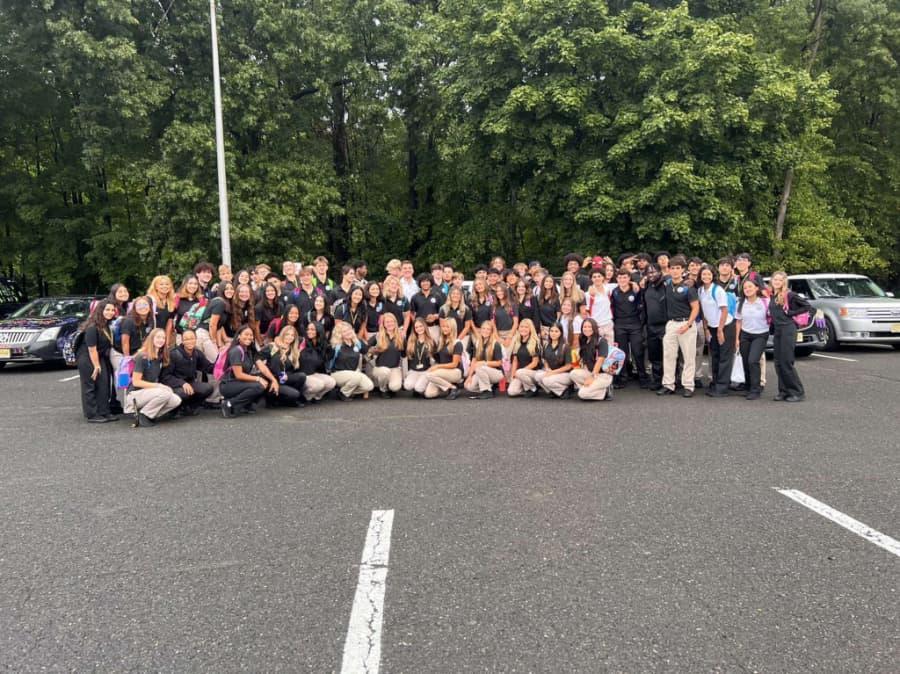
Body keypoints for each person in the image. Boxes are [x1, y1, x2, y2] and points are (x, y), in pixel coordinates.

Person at [658, 256, 699, 397]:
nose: (675, 271)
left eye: (678, 268)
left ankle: (688, 385)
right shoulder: (667, 283)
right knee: (669, 356)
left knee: (688, 357)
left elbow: (695, 308)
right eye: (673, 268)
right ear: (669, 270)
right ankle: (668, 385)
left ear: (683, 270)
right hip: (671, 324)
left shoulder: (688, 288)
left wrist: (688, 325)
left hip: (686, 323)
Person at [126, 328, 182, 427]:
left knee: (176, 400)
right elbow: (136, 382)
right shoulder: (142, 356)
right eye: (158, 337)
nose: (161, 340)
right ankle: (144, 415)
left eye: (163, 338)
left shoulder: (160, 356)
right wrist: (158, 385)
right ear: (151, 338)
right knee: (164, 392)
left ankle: (147, 415)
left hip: (149, 393)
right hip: (134, 394)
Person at [219, 324, 276, 417]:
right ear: (239, 336)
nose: (249, 337)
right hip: (229, 385)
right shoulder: (236, 351)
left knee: (266, 379)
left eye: (251, 335)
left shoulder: (250, 350)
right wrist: (258, 378)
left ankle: (245, 404)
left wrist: (274, 380)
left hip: (239, 383)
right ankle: (229, 403)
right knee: (259, 385)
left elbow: (262, 368)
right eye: (246, 334)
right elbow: (239, 375)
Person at [769, 271, 809, 402]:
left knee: (786, 362)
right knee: (778, 363)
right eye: (775, 279)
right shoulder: (772, 295)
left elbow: (807, 306)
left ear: (784, 282)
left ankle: (797, 391)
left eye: (780, 280)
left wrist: (791, 312)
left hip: (788, 329)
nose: (777, 282)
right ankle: (783, 391)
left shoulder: (790, 295)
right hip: (778, 331)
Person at [697, 264, 735, 398]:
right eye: (703, 274)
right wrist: (706, 329)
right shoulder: (700, 290)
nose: (706, 276)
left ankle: (723, 387)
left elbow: (724, 310)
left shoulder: (718, 290)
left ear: (713, 276)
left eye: (709, 274)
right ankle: (716, 382)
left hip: (725, 326)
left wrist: (720, 330)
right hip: (712, 327)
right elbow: (703, 312)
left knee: (725, 357)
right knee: (715, 356)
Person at [76, 300, 118, 422]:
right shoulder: (92, 327)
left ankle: (104, 411)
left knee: (104, 384)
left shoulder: (105, 325)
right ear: (100, 311)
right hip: (87, 358)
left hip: (99, 357)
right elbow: (91, 349)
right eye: (107, 310)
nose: (110, 312)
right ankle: (92, 414)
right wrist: (96, 366)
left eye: (112, 310)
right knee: (90, 385)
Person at [160, 329, 215, 415]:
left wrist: (221, 364)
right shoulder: (174, 354)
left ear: (196, 339)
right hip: (174, 385)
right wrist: (182, 383)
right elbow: (165, 377)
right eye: (186, 339)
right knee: (184, 393)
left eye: (192, 338)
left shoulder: (197, 353)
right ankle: (175, 409)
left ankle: (189, 407)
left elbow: (208, 367)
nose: (189, 341)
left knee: (207, 388)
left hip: (189, 383)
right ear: (182, 341)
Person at [610, 267, 648, 389]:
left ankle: (643, 377)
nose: (622, 279)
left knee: (638, 351)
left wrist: (634, 283)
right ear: (617, 279)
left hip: (635, 324)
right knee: (622, 353)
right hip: (619, 324)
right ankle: (623, 377)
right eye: (620, 277)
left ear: (629, 278)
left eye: (625, 277)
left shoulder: (635, 289)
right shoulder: (614, 291)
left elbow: (644, 286)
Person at [734, 276, 769, 400]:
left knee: (753, 360)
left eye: (750, 287)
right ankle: (748, 386)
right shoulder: (741, 303)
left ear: (756, 288)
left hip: (761, 334)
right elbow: (738, 321)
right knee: (745, 361)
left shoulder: (765, 301)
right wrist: (737, 338)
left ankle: (756, 388)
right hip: (745, 334)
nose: (747, 289)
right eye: (745, 288)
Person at [327, 321, 374, 400]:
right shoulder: (336, 346)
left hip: (354, 374)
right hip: (337, 374)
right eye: (344, 331)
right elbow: (327, 360)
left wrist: (358, 339)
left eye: (349, 329)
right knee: (356, 376)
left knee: (369, 386)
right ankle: (343, 393)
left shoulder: (357, 343)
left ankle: (343, 391)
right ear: (340, 334)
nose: (348, 332)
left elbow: (366, 350)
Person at [570, 318, 614, 401]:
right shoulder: (584, 340)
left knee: (582, 394)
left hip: (603, 375)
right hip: (591, 372)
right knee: (573, 374)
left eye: (589, 327)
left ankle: (605, 391)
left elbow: (600, 361)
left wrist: (592, 377)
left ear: (594, 328)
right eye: (584, 327)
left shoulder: (601, 341)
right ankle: (592, 389)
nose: (587, 329)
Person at [263, 324, 306, 407]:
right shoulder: (273, 347)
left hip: (284, 378)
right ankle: (274, 399)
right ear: (282, 335)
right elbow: (258, 358)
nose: (290, 337)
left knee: (302, 376)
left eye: (292, 335)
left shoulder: (293, 349)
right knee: (295, 394)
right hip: (274, 379)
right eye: (287, 334)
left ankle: (288, 398)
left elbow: (303, 339)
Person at [424, 319, 465, 399]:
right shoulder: (441, 341)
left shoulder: (457, 343)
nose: (444, 329)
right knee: (429, 394)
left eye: (447, 327)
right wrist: (431, 353)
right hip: (444, 372)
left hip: (456, 372)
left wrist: (437, 367)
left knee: (429, 374)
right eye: (443, 327)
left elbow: (454, 364)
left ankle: (453, 388)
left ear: (452, 328)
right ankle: (450, 386)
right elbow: (440, 360)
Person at [642, 264, 667, 390]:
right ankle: (657, 380)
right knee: (654, 356)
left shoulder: (666, 284)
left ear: (660, 272)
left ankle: (669, 381)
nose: (651, 275)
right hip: (651, 326)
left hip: (665, 325)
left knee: (668, 356)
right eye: (648, 273)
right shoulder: (647, 286)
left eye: (654, 272)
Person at [464, 320, 504, 399]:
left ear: (491, 331)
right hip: (482, 371)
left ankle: (487, 391)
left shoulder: (496, 344)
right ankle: (490, 387)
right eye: (483, 328)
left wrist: (484, 363)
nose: (485, 331)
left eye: (488, 329)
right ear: (481, 330)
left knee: (479, 367)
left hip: (496, 373)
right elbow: (474, 360)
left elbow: (499, 363)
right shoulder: (478, 343)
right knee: (468, 386)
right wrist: (469, 376)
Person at [368, 312, 404, 397]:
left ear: (395, 323)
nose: (390, 324)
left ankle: (389, 385)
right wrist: (373, 351)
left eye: (392, 321)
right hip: (380, 369)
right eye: (387, 322)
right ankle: (383, 389)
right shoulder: (378, 336)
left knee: (395, 387)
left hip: (395, 368)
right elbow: (366, 348)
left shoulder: (401, 337)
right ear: (383, 324)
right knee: (385, 371)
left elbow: (404, 354)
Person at [299, 322, 337, 402]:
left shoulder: (324, 345)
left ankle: (315, 397)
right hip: (302, 374)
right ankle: (305, 397)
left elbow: (325, 361)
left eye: (312, 329)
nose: (309, 331)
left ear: (319, 330)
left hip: (314, 373)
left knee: (331, 382)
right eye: (308, 329)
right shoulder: (302, 342)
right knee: (319, 384)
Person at [537, 322, 573, 398]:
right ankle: (555, 391)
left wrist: (552, 372)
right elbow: (545, 360)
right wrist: (547, 368)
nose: (553, 333)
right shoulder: (546, 344)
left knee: (546, 380)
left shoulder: (565, 346)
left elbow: (568, 366)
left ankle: (564, 390)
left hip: (565, 374)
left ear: (561, 333)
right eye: (552, 331)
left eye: (556, 331)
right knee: (537, 376)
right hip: (552, 372)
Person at [507, 319, 541, 397]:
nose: (523, 329)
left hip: (533, 373)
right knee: (511, 392)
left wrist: (521, 371)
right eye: (521, 327)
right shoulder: (517, 341)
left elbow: (535, 363)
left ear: (530, 329)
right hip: (520, 373)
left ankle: (533, 388)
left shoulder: (535, 342)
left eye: (526, 327)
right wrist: (512, 376)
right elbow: (515, 361)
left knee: (520, 372)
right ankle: (525, 388)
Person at [404, 318, 435, 395]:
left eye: (421, 326)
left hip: (426, 371)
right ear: (414, 329)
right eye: (416, 327)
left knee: (419, 388)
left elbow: (435, 358)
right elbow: (407, 358)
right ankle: (417, 382)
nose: (419, 329)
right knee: (407, 386)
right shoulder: (411, 341)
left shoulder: (431, 341)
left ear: (425, 326)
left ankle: (427, 384)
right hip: (414, 371)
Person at [584, 267, 615, 344]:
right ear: (591, 279)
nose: (597, 278)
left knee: (609, 351)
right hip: (596, 326)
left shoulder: (609, 289)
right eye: (594, 277)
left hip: (608, 325)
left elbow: (623, 283)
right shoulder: (588, 294)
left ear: (603, 277)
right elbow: (586, 311)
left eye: (599, 276)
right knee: (596, 351)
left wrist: (633, 283)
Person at [145, 275, 177, 345]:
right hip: (149, 336)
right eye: (161, 284)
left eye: (167, 284)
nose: (164, 286)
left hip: (162, 337)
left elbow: (169, 323)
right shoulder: (149, 300)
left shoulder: (171, 302)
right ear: (156, 287)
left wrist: (166, 342)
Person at [410, 273, 442, 343]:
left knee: (434, 350)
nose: (425, 283)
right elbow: (412, 313)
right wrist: (416, 324)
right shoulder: (415, 297)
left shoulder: (437, 296)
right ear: (420, 283)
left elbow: (442, 313)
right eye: (423, 281)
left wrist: (435, 317)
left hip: (434, 328)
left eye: (427, 281)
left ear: (431, 282)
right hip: (420, 330)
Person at [492, 282, 518, 353]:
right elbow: (493, 323)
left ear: (505, 292)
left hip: (510, 333)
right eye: (497, 291)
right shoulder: (494, 306)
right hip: (498, 334)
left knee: (506, 354)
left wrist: (509, 337)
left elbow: (515, 323)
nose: (499, 293)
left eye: (501, 291)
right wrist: (497, 337)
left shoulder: (512, 305)